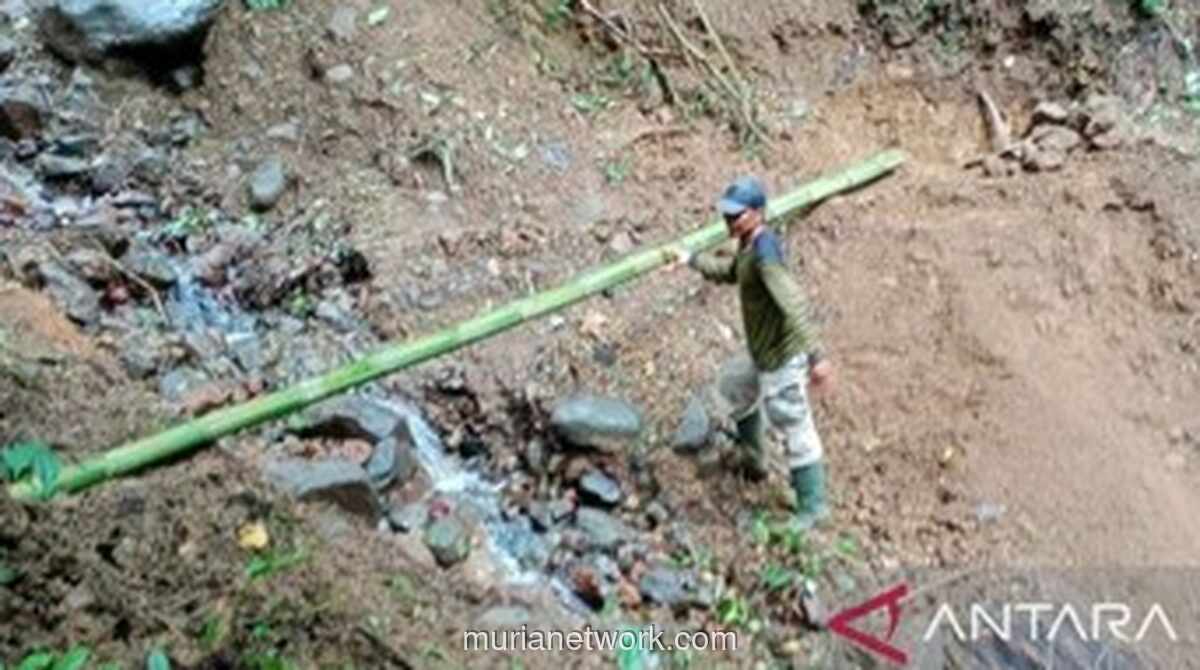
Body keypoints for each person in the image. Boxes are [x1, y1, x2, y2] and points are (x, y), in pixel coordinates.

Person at [672, 176, 834, 529]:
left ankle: (813, 505)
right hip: (760, 353)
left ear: (757, 214)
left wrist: (816, 355)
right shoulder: (746, 247)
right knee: (734, 386)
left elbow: (793, 302)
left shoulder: (765, 254)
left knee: (792, 423)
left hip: (782, 355)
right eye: (727, 216)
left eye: (737, 216)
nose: (729, 222)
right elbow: (730, 272)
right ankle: (753, 457)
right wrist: (690, 260)